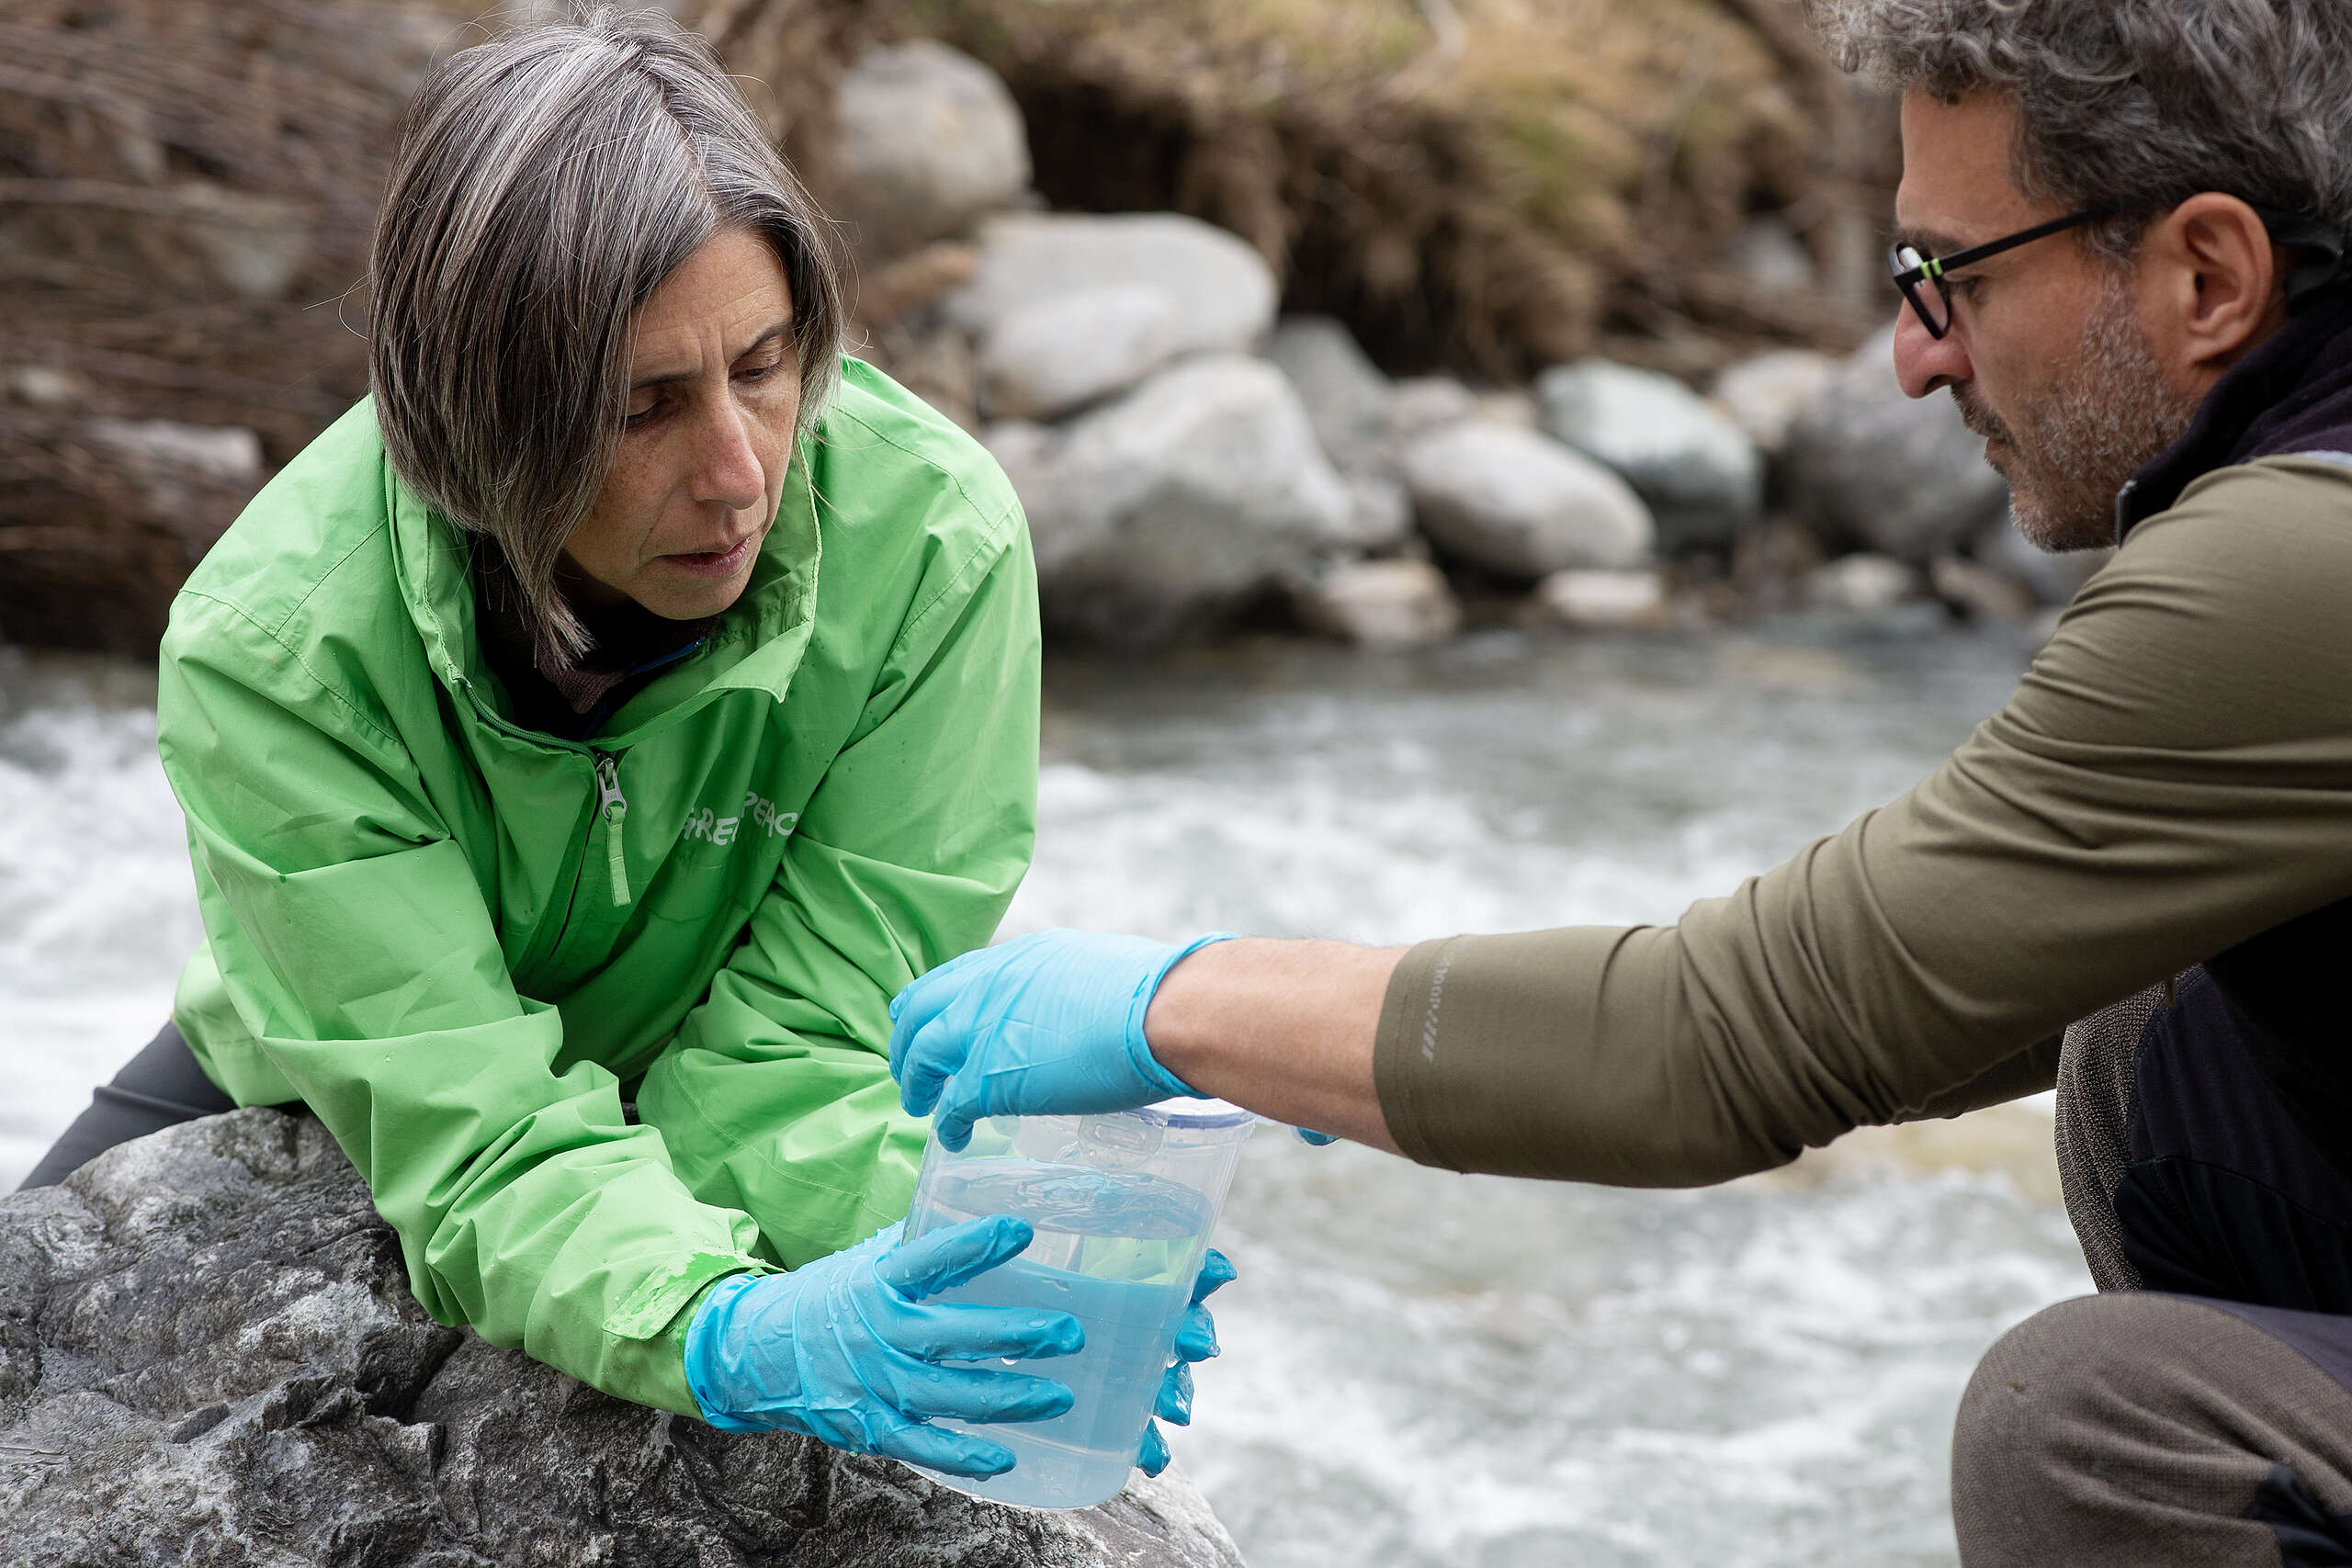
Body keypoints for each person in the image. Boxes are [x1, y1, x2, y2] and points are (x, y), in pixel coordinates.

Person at [886, 0, 2352, 1559]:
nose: (1916, 358)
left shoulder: (2295, 572)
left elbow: (1727, 1041)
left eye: (1952, 276)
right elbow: (1898, 994)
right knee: (2147, 1033)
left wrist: (1180, 1006)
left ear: (2209, 274)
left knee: (2095, 1426)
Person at [21, 10, 1222, 1482]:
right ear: (481, 413)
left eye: (768, 367)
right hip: (348, 1059)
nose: (739, 474)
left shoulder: (932, 547)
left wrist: (1001, 1229)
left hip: (723, 1036)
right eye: (643, 408)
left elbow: (801, 1042)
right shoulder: (278, 649)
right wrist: (721, 1331)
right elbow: (471, 1134)